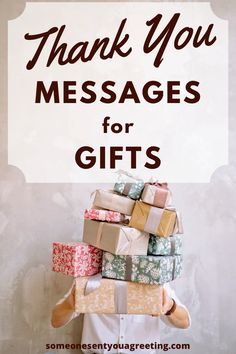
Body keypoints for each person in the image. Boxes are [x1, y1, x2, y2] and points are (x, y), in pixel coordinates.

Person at [52, 282, 191, 354]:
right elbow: (55, 320)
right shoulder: (89, 277)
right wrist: (69, 305)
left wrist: (169, 307)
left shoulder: (153, 275)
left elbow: (184, 321)